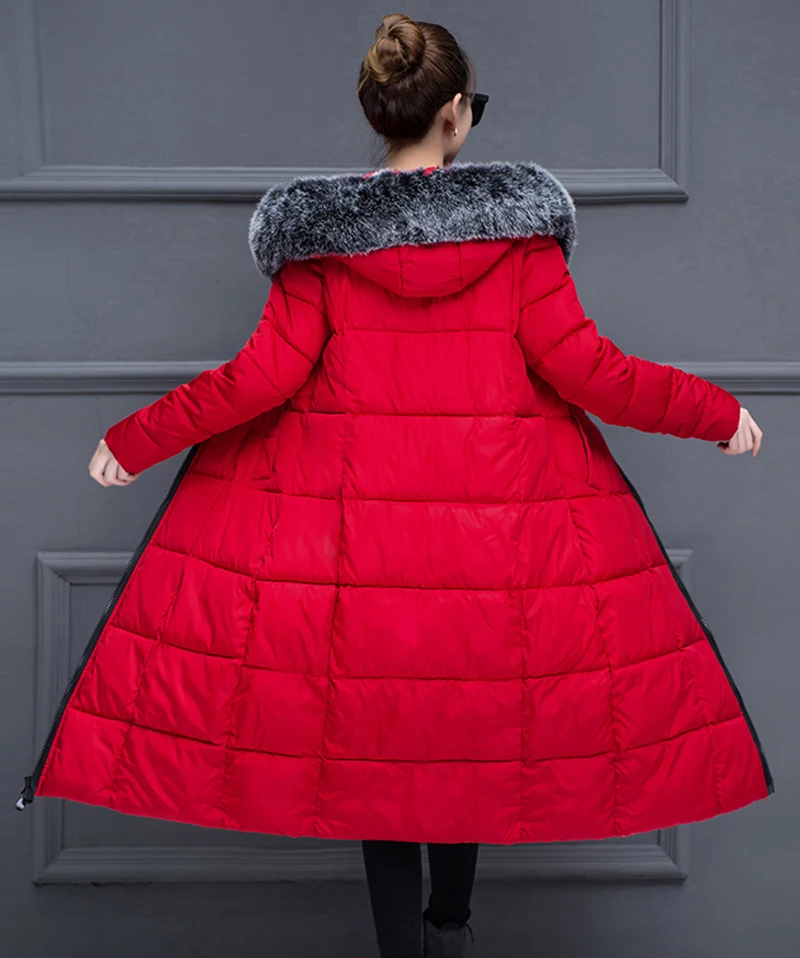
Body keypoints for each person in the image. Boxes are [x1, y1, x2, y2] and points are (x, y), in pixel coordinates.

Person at [17, 13, 773, 958]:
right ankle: (450, 931)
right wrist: (714, 412)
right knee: (460, 757)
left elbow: (259, 379)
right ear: (456, 113)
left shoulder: (322, 247)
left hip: (360, 567)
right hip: (492, 562)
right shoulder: (522, 245)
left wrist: (134, 439)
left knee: (380, 768)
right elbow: (593, 372)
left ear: (381, 114)